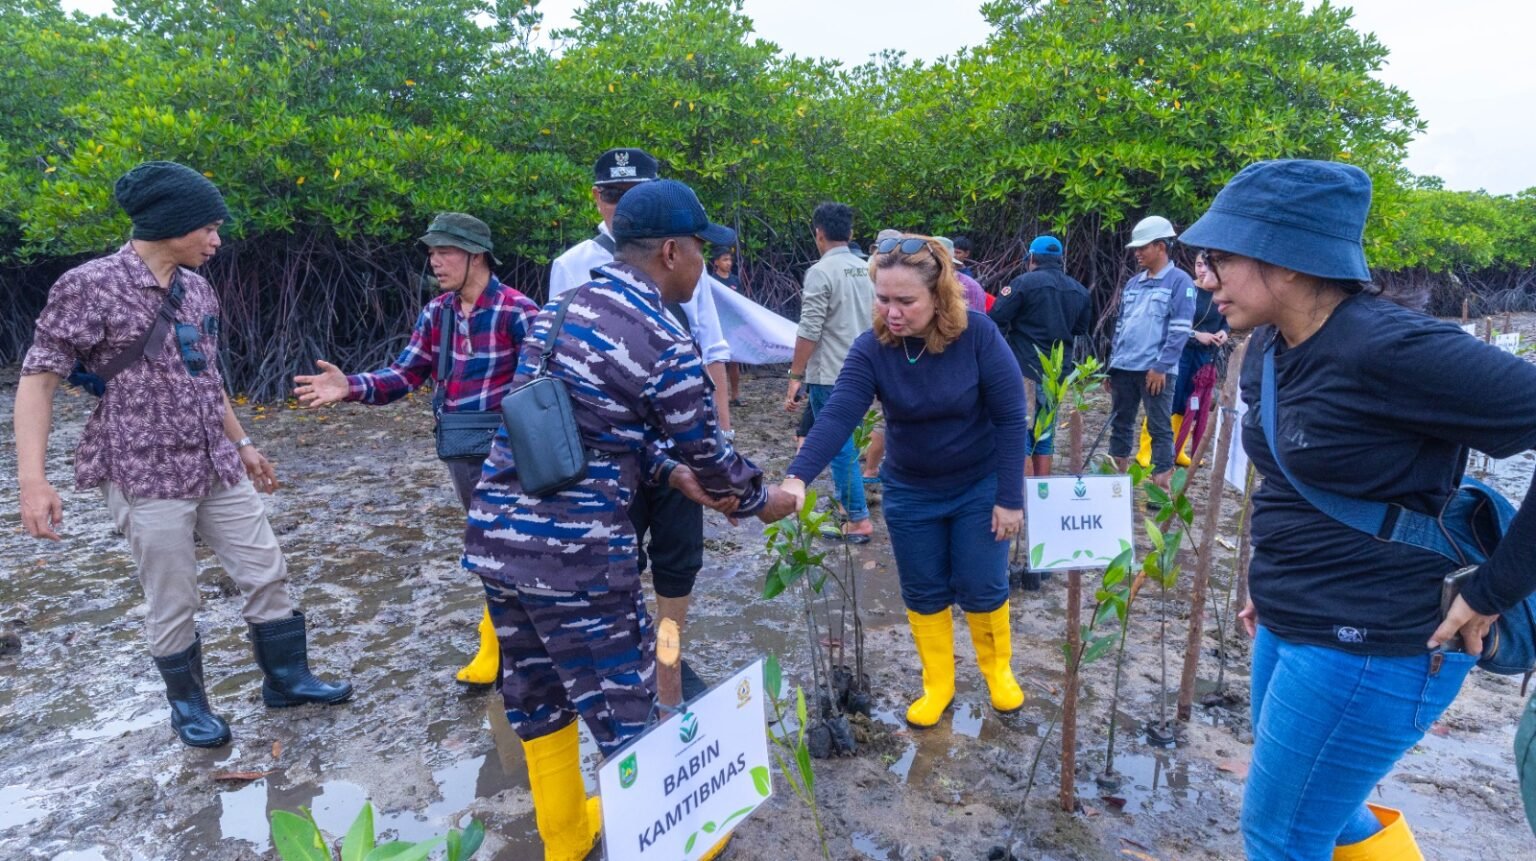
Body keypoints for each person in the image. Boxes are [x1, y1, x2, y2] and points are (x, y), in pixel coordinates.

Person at [1183, 159, 1536, 860]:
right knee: (1329, 813)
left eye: (1218, 258)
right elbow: (1286, 478)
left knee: (1281, 835)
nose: (1203, 277)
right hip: (1290, 618)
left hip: (1377, 640)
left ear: (1287, 259)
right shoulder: (1269, 351)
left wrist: (1496, 589)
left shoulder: (1393, 347)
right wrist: (1263, 573)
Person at [463, 179, 797, 861]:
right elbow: (712, 456)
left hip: (499, 545)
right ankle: (682, 839)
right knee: (630, 705)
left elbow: (570, 423)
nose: (704, 264)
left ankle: (565, 838)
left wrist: (667, 472)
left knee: (537, 697)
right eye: (701, 250)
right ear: (671, 251)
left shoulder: (558, 312)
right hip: (578, 559)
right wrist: (768, 500)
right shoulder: (663, 337)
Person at [14, 161, 352, 750]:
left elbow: (206, 374)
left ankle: (287, 680)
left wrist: (244, 444)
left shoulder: (197, 287)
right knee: (174, 596)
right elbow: (37, 381)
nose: (218, 240)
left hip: (215, 463)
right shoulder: (88, 285)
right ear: (172, 225)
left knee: (266, 569)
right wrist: (32, 481)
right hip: (143, 471)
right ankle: (189, 709)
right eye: (209, 228)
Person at [779, 234, 1029, 728]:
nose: (892, 312)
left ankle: (997, 671)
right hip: (912, 490)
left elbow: (1010, 417)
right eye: (883, 298)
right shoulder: (872, 349)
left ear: (939, 296)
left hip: (978, 486)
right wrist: (796, 477)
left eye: (906, 301)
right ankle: (939, 684)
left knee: (982, 583)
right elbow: (838, 415)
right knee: (923, 587)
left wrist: (1009, 498)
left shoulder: (978, 335)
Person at [291, 212, 538, 691]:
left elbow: (541, 389)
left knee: (510, 547)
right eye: (432, 252)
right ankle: (506, 641)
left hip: (514, 451)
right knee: (488, 548)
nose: (435, 261)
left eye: (445, 251)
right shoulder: (437, 313)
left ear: (476, 255)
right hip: (463, 451)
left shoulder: (518, 311)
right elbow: (405, 375)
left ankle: (507, 645)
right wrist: (351, 387)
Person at [547, 148, 736, 707]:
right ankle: (630, 668)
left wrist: (720, 435)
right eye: (613, 196)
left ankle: (669, 671)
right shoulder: (572, 264)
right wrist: (755, 494)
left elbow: (712, 349)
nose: (622, 207)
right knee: (616, 564)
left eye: (635, 197)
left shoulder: (685, 263)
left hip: (674, 447)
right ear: (596, 199)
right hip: (611, 458)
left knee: (678, 565)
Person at [784, 202, 876, 542]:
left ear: (818, 234)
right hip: (865, 371)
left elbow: (810, 329)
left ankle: (857, 518)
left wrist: (795, 376)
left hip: (831, 374)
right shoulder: (867, 269)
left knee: (839, 447)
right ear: (851, 234)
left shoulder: (821, 272)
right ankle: (847, 508)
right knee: (848, 443)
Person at [988, 234, 1092, 476]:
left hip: (1024, 370)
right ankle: (1041, 496)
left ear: (1032, 258)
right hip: (1056, 373)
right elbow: (1080, 329)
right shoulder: (1079, 291)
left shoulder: (1023, 283)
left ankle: (1023, 497)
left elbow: (996, 319)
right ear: (1059, 260)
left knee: (1020, 433)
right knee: (1044, 434)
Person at [1107, 215, 1196, 489]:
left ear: (1160, 246)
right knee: (1120, 425)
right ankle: (1114, 487)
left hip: (1155, 371)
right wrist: (1112, 366)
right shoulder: (1134, 284)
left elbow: (1180, 330)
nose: (1137, 253)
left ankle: (1161, 489)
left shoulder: (1180, 282)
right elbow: (1121, 327)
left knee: (1159, 428)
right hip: (1124, 368)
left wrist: (1161, 367)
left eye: (1143, 247)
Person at [1164, 250, 1229, 467]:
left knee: (1191, 403)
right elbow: (1171, 322)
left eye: (1207, 266)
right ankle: (1152, 450)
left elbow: (1226, 320)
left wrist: (1224, 333)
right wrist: (1196, 335)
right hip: (1181, 352)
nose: (1202, 270)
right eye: (1199, 265)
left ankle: (1178, 449)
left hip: (1204, 356)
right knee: (1172, 398)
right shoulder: (1186, 289)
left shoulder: (1220, 293)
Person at [711, 247, 745, 406]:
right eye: (724, 260)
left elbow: (740, 303)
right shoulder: (711, 281)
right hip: (716, 324)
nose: (728, 263)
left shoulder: (735, 280)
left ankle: (735, 395)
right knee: (717, 362)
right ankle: (719, 397)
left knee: (734, 360)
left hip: (732, 325)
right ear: (716, 262)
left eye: (730, 260)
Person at [936, 236, 988, 312]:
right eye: (953, 252)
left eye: (958, 252)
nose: (954, 255)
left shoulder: (968, 280)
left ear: (967, 254)